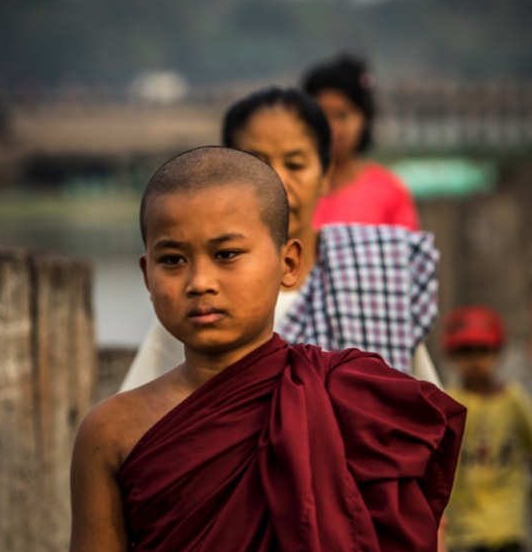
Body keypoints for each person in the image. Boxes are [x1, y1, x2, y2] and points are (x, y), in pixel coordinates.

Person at [42, 147, 465, 552]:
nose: (199, 282)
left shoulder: (350, 401)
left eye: (227, 254)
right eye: (173, 260)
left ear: (289, 263)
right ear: (147, 274)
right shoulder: (114, 430)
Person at [122, 87, 438, 391]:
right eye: (257, 164)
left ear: (325, 173)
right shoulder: (201, 304)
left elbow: (420, 411)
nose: (278, 181)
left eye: (296, 164)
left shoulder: (378, 278)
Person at [442, 305, 532, 552]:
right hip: (462, 515)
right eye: (465, 353)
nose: (474, 362)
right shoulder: (448, 399)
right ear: (453, 357)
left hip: (503, 513)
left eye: (482, 352)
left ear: (497, 353)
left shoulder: (513, 399)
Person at [301, 53, 420, 230]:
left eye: (342, 115)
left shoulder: (389, 192)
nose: (332, 128)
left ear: (365, 118)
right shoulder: (295, 189)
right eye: (322, 115)